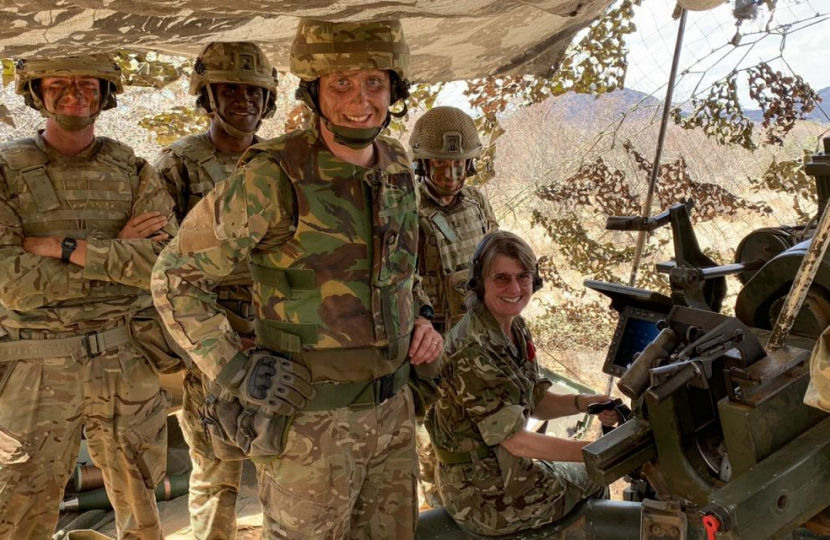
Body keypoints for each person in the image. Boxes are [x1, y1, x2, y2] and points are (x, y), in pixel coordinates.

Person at [152, 19, 442, 540]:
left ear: (394, 89)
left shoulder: (397, 164)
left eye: (374, 82)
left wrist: (421, 318)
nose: (360, 100)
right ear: (313, 91)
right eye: (341, 84)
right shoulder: (274, 174)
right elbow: (175, 279)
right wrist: (235, 369)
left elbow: (401, 268)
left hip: (393, 415)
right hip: (309, 427)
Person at [0, 54, 176, 540]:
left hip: (123, 361)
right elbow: (12, 282)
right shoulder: (6, 170)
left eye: (87, 83)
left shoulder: (133, 168)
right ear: (36, 92)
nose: (74, 93)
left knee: (142, 513)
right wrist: (117, 252)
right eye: (58, 82)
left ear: (106, 91)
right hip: (34, 368)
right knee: (19, 509)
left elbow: (164, 265)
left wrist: (64, 248)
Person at [153, 40, 278, 540]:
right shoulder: (178, 164)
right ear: (207, 96)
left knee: (288, 462)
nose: (244, 101)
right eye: (230, 90)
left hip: (281, 330)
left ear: (268, 101)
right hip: (212, 339)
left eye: (254, 92)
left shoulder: (280, 161)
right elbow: (163, 260)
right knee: (215, 468)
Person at [425, 231, 617, 536]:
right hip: (482, 493)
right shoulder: (474, 346)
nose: (514, 288)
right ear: (480, 282)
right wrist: (602, 452)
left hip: (500, 471)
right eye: (501, 278)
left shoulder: (509, 326)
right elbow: (517, 440)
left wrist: (585, 403)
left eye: (523, 277)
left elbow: (535, 401)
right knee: (595, 475)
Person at [409, 105, 499, 508]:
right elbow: (398, 277)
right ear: (422, 163)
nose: (449, 175)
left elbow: (495, 254)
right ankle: (436, 510)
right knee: (435, 438)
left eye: (458, 165)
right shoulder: (407, 208)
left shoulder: (477, 202)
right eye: (439, 166)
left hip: (476, 336)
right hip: (431, 340)